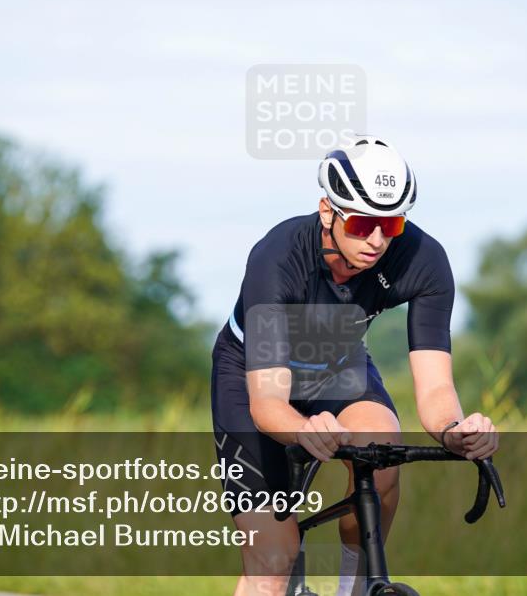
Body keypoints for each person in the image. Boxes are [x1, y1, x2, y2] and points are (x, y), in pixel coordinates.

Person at [211, 136, 499, 596]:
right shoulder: (277, 257)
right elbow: (267, 404)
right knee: (273, 559)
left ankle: (357, 588)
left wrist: (455, 430)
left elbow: (435, 390)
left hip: (336, 362)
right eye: (364, 223)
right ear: (328, 211)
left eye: (392, 224)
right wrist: (303, 429)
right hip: (253, 375)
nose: (378, 240)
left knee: (381, 447)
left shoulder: (424, 260)